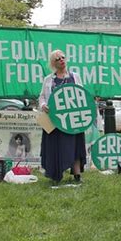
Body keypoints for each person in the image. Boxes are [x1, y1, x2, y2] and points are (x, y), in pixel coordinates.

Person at [39, 50, 86, 184]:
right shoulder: (49, 79)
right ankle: (56, 175)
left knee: (75, 145)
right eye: (58, 59)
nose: (61, 60)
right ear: (53, 63)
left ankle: (77, 175)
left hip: (73, 119)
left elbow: (81, 94)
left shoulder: (75, 77)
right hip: (54, 120)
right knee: (55, 147)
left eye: (63, 57)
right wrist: (43, 105)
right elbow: (42, 96)